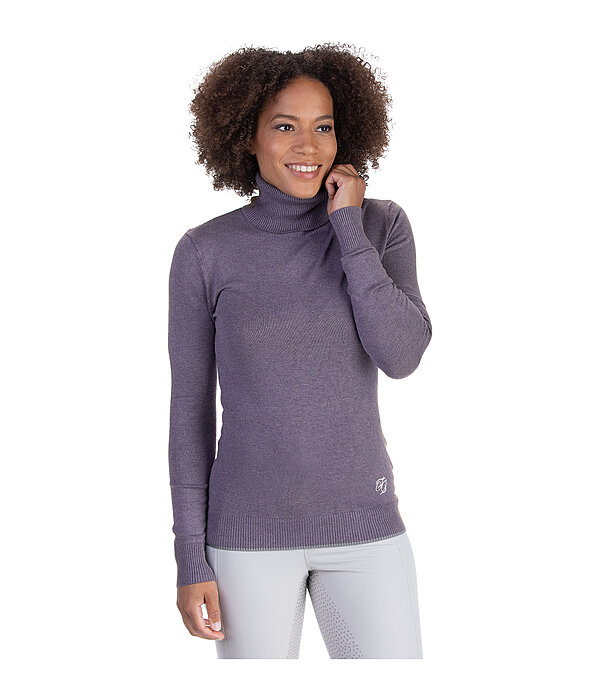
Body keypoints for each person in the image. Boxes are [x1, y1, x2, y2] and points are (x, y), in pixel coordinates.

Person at [168, 43, 433, 659]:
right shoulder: (206, 251)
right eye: (285, 127)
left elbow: (401, 355)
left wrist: (348, 227)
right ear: (248, 136)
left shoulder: (381, 226)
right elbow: (189, 413)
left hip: (365, 528)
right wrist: (189, 557)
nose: (307, 146)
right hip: (246, 539)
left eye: (324, 127)